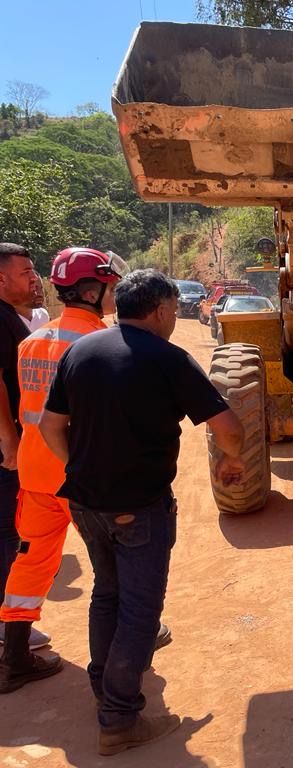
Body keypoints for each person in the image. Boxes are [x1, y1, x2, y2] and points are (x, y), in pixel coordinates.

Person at [36, 269, 245, 755]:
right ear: (161, 310)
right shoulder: (168, 358)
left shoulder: (81, 351)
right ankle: (119, 719)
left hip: (86, 503)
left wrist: (82, 469)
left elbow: (50, 427)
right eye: (172, 309)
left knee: (106, 594)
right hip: (138, 507)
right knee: (139, 609)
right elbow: (228, 425)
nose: (174, 317)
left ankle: (103, 691)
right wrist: (233, 460)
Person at [0, 248, 125, 694]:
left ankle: (13, 656)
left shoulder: (30, 341)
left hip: (35, 475)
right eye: (110, 285)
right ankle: (129, 647)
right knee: (116, 563)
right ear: (93, 290)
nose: (114, 292)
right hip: (82, 476)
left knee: (30, 562)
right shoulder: (101, 344)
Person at [0, 244, 35, 652]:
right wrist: (9, 441)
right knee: (9, 536)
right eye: (25, 272)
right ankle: (10, 637)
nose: (33, 278)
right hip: (6, 453)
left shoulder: (10, 318)